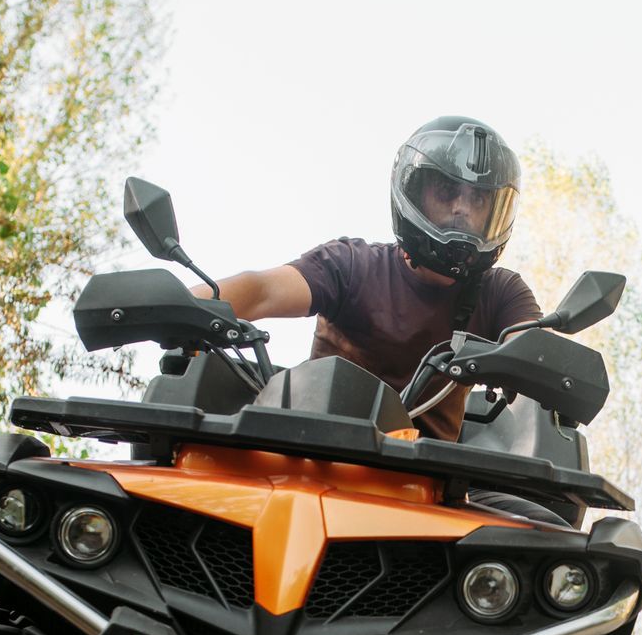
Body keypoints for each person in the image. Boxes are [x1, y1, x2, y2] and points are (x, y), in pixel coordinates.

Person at [207, 115, 541, 444]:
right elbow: (263, 290)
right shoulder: (351, 265)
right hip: (314, 452)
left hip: (429, 486)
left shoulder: (501, 293)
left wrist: (544, 364)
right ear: (415, 192)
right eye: (446, 191)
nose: (462, 208)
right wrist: (185, 301)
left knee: (528, 502)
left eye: (478, 199)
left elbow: (536, 347)